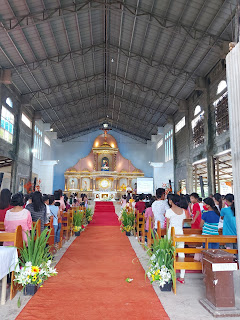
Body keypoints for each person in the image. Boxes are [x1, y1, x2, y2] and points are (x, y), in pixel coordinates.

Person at [165, 194, 186, 284]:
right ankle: (182, 276)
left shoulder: (169, 211)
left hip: (171, 232)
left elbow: (167, 225)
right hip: (180, 233)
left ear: (171, 201)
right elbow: (182, 224)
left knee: (169, 252)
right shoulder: (183, 211)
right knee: (181, 253)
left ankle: (168, 273)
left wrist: (166, 236)